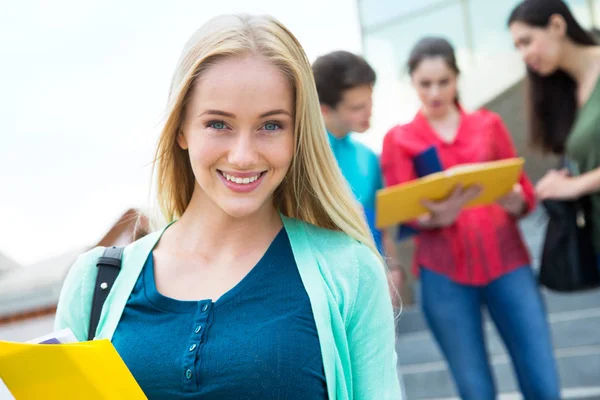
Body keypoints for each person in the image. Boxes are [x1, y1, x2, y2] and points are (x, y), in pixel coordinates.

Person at [54, 14, 401, 399]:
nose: (242, 155)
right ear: (181, 129)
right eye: (218, 124)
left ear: (297, 133)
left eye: (271, 126)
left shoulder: (350, 272)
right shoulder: (97, 282)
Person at [381, 37, 560, 400]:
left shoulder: (488, 124)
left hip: (507, 261)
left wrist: (516, 201)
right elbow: (401, 211)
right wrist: (434, 217)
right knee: (475, 390)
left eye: (443, 81)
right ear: (412, 83)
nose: (435, 92)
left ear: (457, 78)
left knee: (542, 381)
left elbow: (523, 187)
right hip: (444, 274)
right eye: (425, 84)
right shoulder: (399, 139)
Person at [509, 0, 600, 268]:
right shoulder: (567, 90)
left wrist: (574, 186)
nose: (523, 55)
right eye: (517, 47)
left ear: (557, 25)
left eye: (527, 41)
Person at [312, 51, 403, 303]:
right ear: (324, 110)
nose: (369, 112)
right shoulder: (304, 161)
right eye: (357, 108)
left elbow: (380, 224)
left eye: (370, 102)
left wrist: (392, 271)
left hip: (373, 283)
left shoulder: (368, 157)